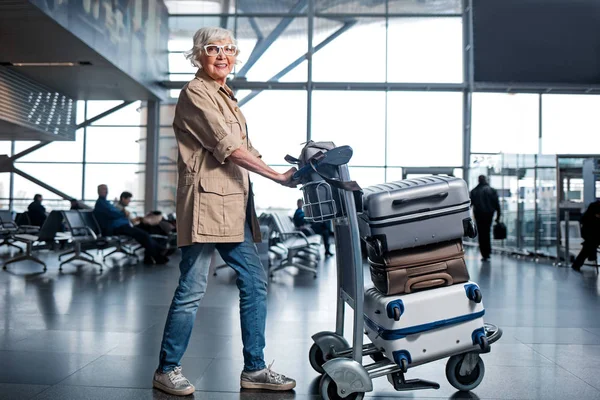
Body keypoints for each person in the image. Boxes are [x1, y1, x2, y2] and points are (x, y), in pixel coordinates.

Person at [153, 27, 297, 396]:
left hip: (232, 205)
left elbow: (248, 147)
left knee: (255, 281)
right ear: (198, 55)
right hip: (206, 206)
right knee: (192, 289)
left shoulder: (226, 96)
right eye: (214, 49)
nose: (222, 55)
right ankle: (167, 369)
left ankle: (255, 368)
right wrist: (277, 177)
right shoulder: (196, 93)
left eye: (229, 49)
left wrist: (288, 170)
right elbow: (229, 148)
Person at [93, 184, 167, 265]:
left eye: (106, 189)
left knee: (145, 233)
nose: (106, 191)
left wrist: (122, 213)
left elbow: (117, 213)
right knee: (143, 235)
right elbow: (115, 213)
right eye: (103, 189)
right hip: (115, 228)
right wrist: (123, 213)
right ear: (98, 191)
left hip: (121, 226)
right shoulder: (101, 204)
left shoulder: (106, 203)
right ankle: (158, 253)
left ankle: (153, 255)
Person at [470, 175, 501, 261]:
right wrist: (498, 215)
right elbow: (497, 204)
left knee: (481, 233)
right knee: (487, 232)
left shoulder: (474, 191)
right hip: (489, 215)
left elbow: (470, 205)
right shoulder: (492, 190)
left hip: (479, 215)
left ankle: (484, 253)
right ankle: (488, 252)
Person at [572, 201, 600, 272]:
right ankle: (592, 256)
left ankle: (578, 263)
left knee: (589, 245)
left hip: (593, 233)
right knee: (591, 243)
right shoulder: (594, 206)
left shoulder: (594, 205)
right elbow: (585, 219)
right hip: (590, 232)